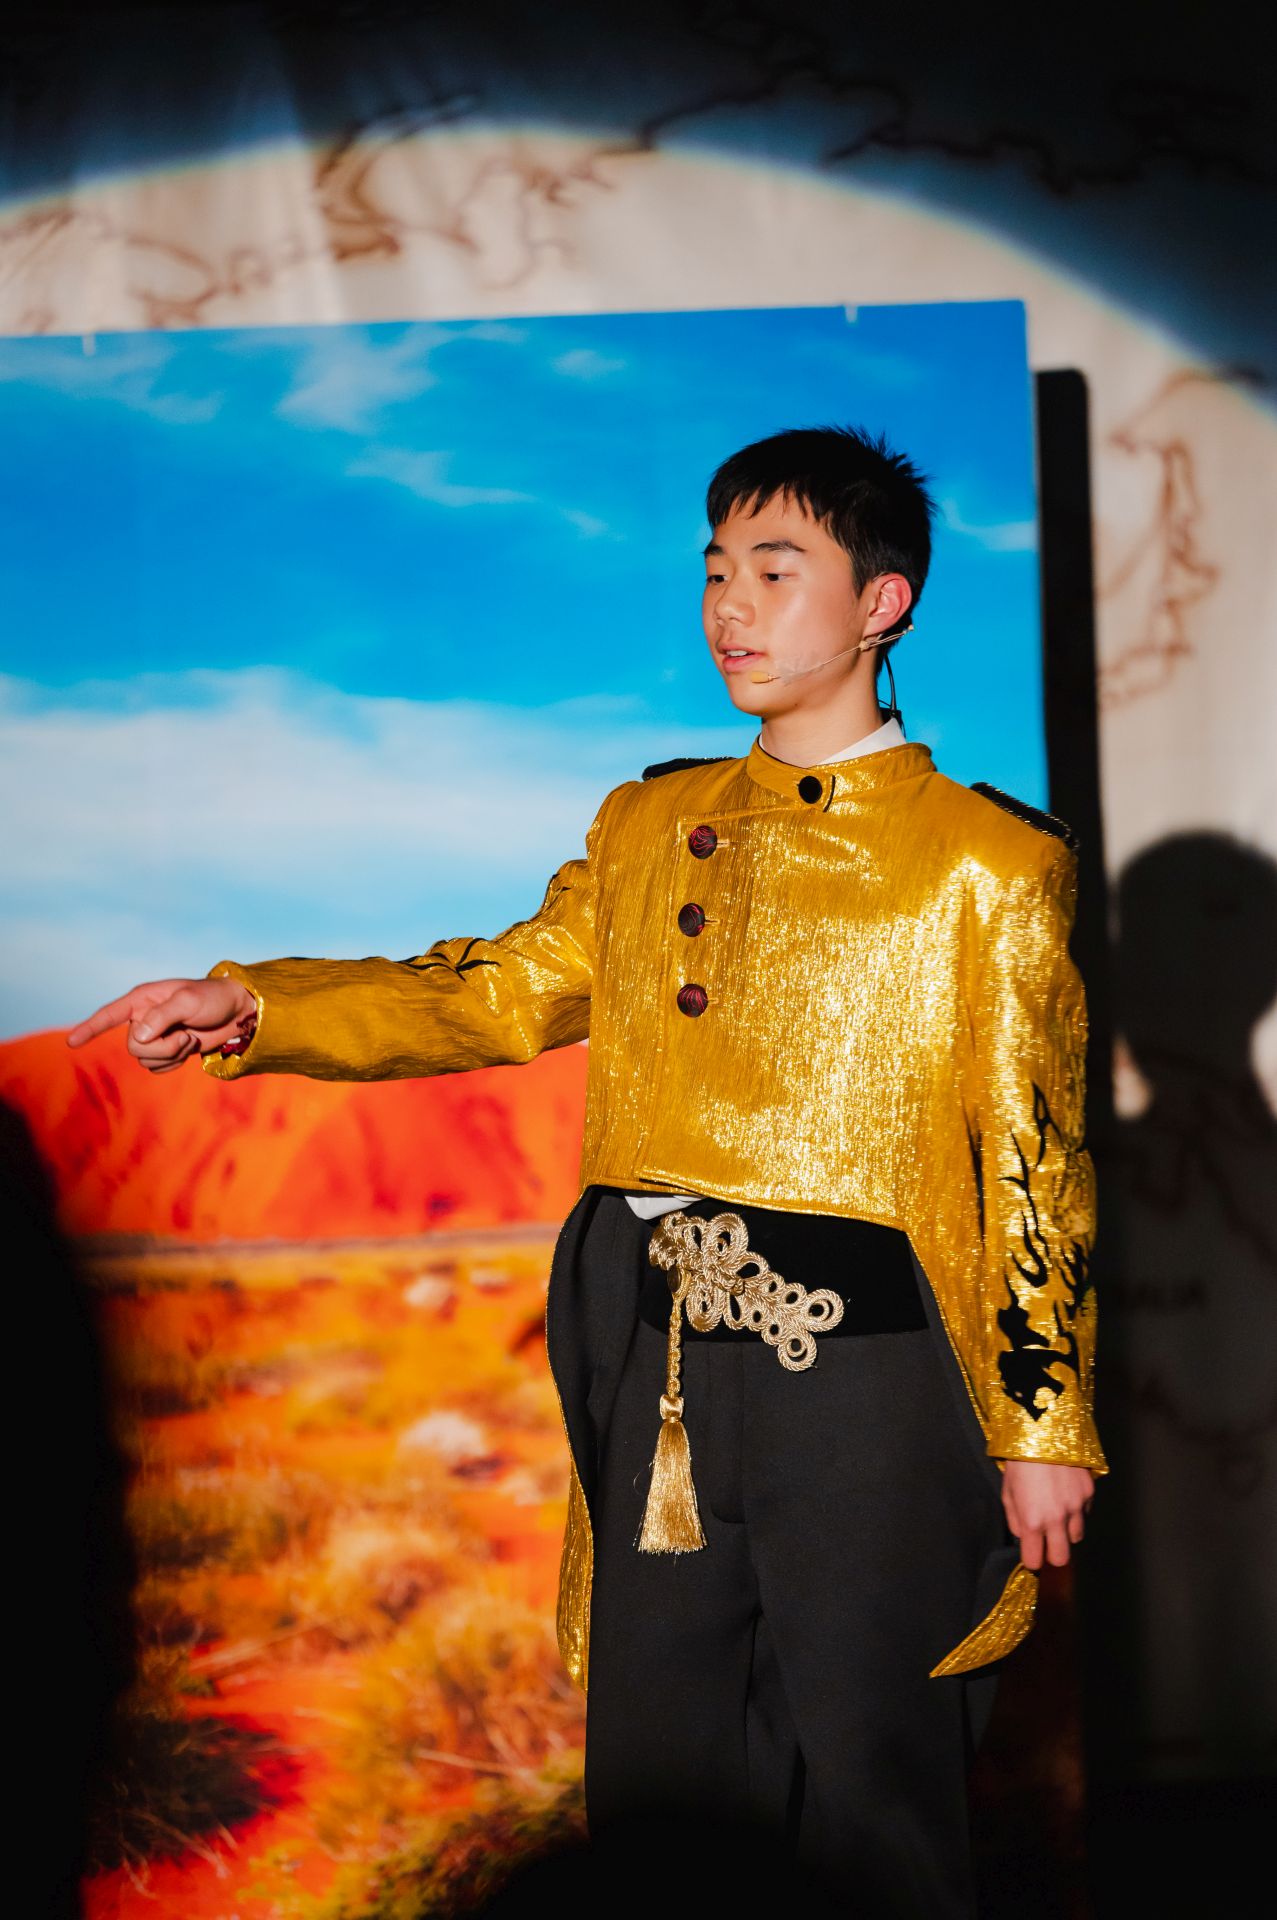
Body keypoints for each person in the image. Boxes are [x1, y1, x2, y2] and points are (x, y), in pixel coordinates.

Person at [70, 425, 1104, 1915]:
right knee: (658, 1775)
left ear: (882, 602)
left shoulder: (985, 862)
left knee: (872, 1787)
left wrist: (1043, 1420)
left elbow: (1033, 1154)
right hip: (655, 1350)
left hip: (872, 1378)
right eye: (715, 571)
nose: (730, 607)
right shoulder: (645, 826)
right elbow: (493, 990)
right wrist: (258, 1006)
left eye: (775, 570)